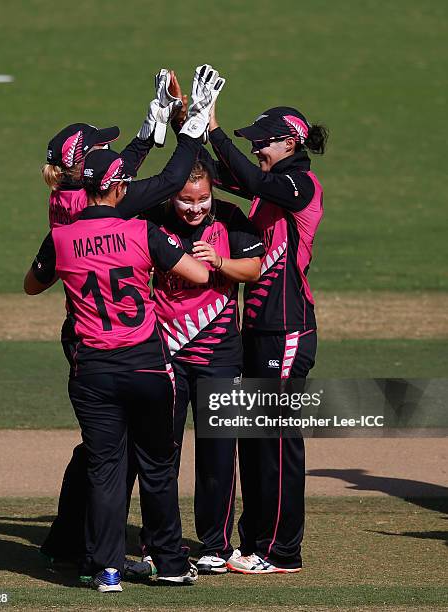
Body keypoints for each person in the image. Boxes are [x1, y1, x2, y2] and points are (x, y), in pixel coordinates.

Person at [38, 68, 217, 576]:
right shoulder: (91, 208)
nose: (109, 158)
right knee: (122, 458)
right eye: (100, 150)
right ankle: (143, 555)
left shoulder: (74, 197)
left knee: (98, 455)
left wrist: (144, 135)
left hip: (87, 334)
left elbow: (117, 179)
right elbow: (161, 183)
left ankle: (74, 542)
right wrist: (191, 131)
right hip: (112, 343)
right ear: (87, 168)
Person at [191, 101, 328, 573]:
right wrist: (186, 128)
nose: (255, 146)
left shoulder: (298, 183)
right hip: (259, 329)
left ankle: (280, 550)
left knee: (276, 439)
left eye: (262, 141)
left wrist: (218, 132)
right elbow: (218, 177)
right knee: (253, 439)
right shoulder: (271, 186)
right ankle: (252, 541)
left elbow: (249, 178)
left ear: (290, 143)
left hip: (288, 329)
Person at [138, 159, 264, 574]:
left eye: (202, 199)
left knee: (219, 455)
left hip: (221, 354)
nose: (194, 208)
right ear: (172, 193)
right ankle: (157, 543)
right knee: (162, 454)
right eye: (185, 200)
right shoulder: (153, 217)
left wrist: (219, 262)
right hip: (166, 351)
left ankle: (215, 545)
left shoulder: (229, 216)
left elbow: (254, 268)